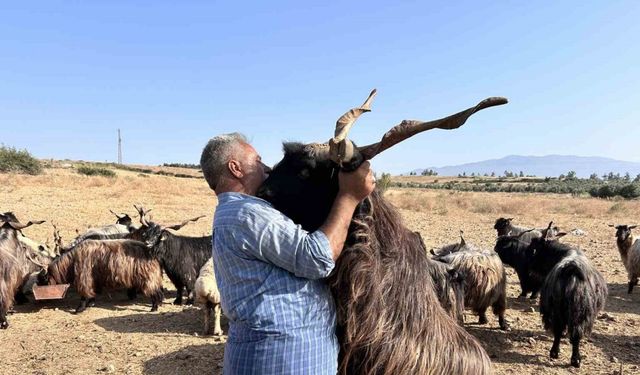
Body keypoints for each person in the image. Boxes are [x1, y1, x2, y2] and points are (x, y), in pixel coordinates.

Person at [200, 133, 375, 375]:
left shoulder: (234, 214)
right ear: (235, 168)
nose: (267, 168)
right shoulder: (247, 213)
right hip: (281, 361)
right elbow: (317, 257)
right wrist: (349, 196)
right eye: (258, 160)